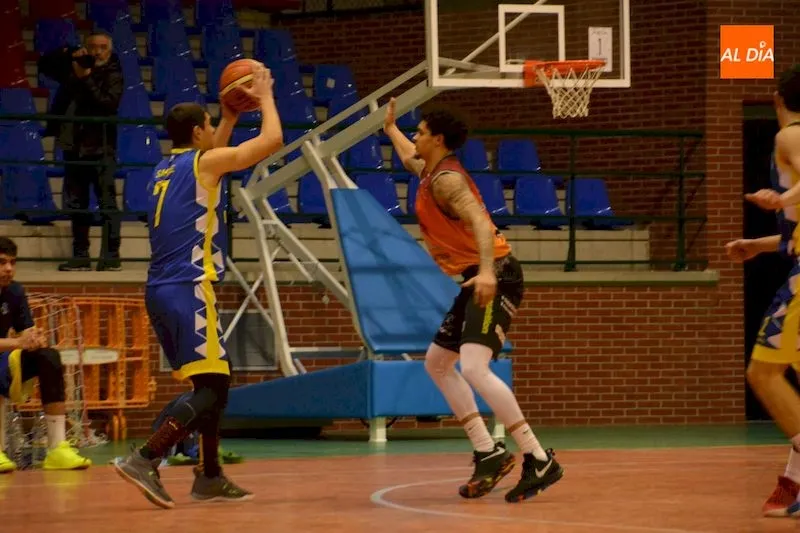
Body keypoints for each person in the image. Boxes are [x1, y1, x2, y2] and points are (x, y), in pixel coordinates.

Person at [113, 63, 282, 509]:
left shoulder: (164, 170)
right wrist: (264, 97)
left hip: (161, 291)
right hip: (189, 288)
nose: (213, 132)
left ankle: (208, 475)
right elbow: (271, 143)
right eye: (210, 125)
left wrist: (227, 118)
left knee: (213, 381)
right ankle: (146, 456)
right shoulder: (204, 163)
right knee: (214, 388)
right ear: (196, 130)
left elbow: (212, 165)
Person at [382, 98, 563, 502]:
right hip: (475, 275)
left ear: (438, 139)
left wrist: (484, 272)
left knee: (475, 367)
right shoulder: (429, 172)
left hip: (496, 273)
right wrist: (389, 128)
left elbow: (481, 221)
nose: (416, 137)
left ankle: (537, 456)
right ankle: (488, 450)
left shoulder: (448, 181)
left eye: (421, 132)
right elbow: (408, 157)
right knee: (437, 362)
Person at [728, 64, 800, 518]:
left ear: (777, 98)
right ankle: (793, 481)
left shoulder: (788, 135)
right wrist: (760, 244)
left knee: (763, 373)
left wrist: (781, 199)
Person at [0, 237, 92, 473]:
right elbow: (16, 340)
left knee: (49, 356)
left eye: (12, 262)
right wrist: (18, 342)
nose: (8, 269)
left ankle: (57, 448)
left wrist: (35, 338)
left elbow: (25, 331)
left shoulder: (15, 291)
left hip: (4, 357)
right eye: (1, 263)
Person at [38, 30, 124, 272]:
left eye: (102, 47)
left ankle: (111, 256)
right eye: (92, 47)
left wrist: (86, 77)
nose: (97, 52)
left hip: (101, 147)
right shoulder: (73, 67)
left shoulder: (114, 72)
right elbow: (43, 65)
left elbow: (108, 104)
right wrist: (68, 51)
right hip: (73, 146)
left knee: (107, 202)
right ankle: (80, 256)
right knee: (77, 204)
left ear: (110, 50)